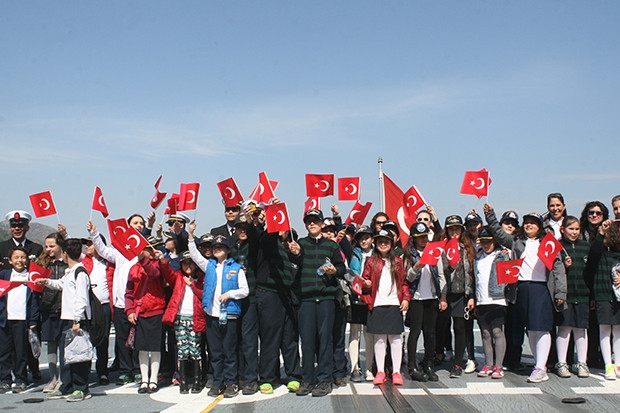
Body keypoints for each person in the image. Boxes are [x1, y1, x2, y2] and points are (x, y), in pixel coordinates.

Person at [484, 203, 567, 383]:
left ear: (540, 226)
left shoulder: (548, 243)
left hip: (541, 288)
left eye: (533, 223)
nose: (529, 225)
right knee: (530, 328)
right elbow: (498, 233)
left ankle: (540, 367)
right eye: (527, 222)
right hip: (521, 289)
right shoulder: (517, 243)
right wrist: (490, 214)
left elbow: (558, 268)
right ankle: (539, 364)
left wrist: (560, 292)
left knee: (542, 328)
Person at [287, 209, 346, 397]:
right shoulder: (300, 244)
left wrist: (334, 270)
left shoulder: (331, 245)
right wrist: (295, 254)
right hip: (306, 299)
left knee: (325, 339)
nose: (311, 224)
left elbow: (342, 268)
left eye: (315, 221)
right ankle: (308, 379)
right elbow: (292, 266)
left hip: (326, 299)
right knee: (307, 340)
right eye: (308, 221)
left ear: (322, 224)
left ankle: (325, 379)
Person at [35, 239, 93, 402]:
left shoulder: (80, 272)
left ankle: (81, 388)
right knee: (67, 355)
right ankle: (66, 384)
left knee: (79, 355)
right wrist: (46, 281)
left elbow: (81, 298)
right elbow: (61, 284)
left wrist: (77, 320)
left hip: (77, 320)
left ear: (66, 254)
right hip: (66, 318)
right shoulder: (70, 272)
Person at [87, 219, 141, 385]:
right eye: (134, 223)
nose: (137, 226)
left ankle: (138, 369)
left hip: (138, 305)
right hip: (120, 305)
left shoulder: (142, 254)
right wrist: (94, 233)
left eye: (140, 223)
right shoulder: (119, 253)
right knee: (122, 339)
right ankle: (125, 370)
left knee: (138, 339)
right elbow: (102, 250)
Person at [199, 235, 249, 398]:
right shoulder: (209, 266)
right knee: (215, 352)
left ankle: (231, 382)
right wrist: (191, 235)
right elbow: (194, 254)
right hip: (212, 315)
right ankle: (217, 381)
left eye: (221, 247)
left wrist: (229, 294)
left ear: (228, 250)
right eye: (214, 248)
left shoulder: (236, 267)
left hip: (229, 315)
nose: (217, 250)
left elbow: (244, 290)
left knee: (229, 351)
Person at [360, 229, 410, 385]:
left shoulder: (398, 261)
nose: (383, 244)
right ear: (375, 243)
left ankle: (396, 372)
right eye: (380, 241)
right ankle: (380, 371)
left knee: (395, 339)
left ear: (392, 244)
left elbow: (403, 283)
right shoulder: (370, 261)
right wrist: (366, 284)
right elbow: (364, 282)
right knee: (380, 339)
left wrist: (406, 298)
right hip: (377, 304)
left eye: (386, 241)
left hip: (394, 303)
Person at [0, 210, 44, 382]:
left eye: (20, 226)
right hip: (6, 307)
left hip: (27, 304)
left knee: (27, 344)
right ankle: (5, 377)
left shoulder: (36, 248)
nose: (17, 228)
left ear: (27, 227)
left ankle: (31, 371)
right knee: (5, 348)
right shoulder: (2, 247)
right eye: (14, 226)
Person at [404, 222, 447, 382]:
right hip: (416, 298)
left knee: (430, 332)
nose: (422, 239)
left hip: (432, 297)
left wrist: (443, 296)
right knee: (414, 332)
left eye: (425, 236)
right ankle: (412, 365)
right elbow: (407, 278)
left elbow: (441, 275)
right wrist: (416, 267)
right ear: (413, 239)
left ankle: (429, 364)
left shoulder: (435, 251)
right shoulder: (409, 254)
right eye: (419, 237)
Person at [125, 237, 167, 394]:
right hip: (139, 312)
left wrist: (144, 259)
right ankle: (144, 379)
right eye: (146, 248)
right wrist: (129, 310)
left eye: (150, 248)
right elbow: (129, 291)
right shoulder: (133, 268)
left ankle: (154, 379)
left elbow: (154, 274)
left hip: (156, 310)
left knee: (155, 348)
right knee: (141, 348)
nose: (148, 251)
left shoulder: (157, 265)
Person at [436, 215, 476, 378]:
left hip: (461, 294)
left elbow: (472, 274)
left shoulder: (467, 248)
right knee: (440, 327)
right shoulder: (439, 248)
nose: (454, 232)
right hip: (444, 294)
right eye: (451, 228)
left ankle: (458, 363)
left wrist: (471, 296)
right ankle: (437, 355)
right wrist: (442, 296)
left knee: (460, 329)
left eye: (457, 229)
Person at [160, 251, 205, 394]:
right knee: (182, 351)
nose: (188, 266)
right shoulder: (178, 278)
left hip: (195, 318)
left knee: (195, 350)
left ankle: (197, 380)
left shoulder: (200, 280)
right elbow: (167, 273)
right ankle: (184, 381)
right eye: (185, 263)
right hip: (180, 318)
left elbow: (203, 295)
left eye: (191, 262)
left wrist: (192, 284)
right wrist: (163, 260)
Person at [0, 247, 40, 393]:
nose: (19, 260)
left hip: (22, 319)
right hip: (5, 319)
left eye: (22, 257)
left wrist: (33, 321)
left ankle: (21, 379)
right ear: (10, 260)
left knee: (21, 352)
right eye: (16, 257)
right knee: (4, 351)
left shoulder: (30, 277)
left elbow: (34, 301)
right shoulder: (4, 275)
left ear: (27, 259)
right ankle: (5, 379)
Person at [555, 216, 591, 378]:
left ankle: (581, 362)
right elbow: (553, 271)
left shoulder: (585, 246)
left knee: (581, 329)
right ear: (563, 229)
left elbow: (591, 271)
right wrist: (564, 265)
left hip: (583, 294)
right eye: (571, 229)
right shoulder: (558, 246)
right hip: (566, 295)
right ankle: (562, 362)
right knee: (564, 328)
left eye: (577, 229)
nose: (574, 232)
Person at [586, 219, 620, 380]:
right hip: (602, 294)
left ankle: (618, 363)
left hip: (618, 296)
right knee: (605, 330)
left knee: (618, 331)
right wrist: (600, 233)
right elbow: (593, 254)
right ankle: (608, 365)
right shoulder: (600, 252)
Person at [473, 227, 509, 379]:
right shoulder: (477, 257)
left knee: (497, 332)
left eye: (489, 241)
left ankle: (498, 366)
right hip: (482, 300)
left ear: (495, 241)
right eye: (483, 242)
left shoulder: (501, 255)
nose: (486, 245)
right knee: (486, 333)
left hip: (497, 299)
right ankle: (488, 364)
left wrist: (507, 255)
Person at [36, 232, 67, 393]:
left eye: (52, 246)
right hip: (48, 309)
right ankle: (52, 379)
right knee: (51, 345)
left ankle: (63, 379)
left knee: (63, 346)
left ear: (60, 246)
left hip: (64, 309)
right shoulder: (42, 264)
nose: (48, 249)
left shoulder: (68, 265)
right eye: (46, 246)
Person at [81, 236, 114, 385]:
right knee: (86, 339)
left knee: (103, 340)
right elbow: (71, 249)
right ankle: (85, 371)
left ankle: (102, 371)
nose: (87, 246)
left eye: (90, 243)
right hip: (88, 307)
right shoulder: (84, 261)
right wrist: (64, 234)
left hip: (104, 306)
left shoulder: (109, 263)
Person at [348, 225, 375, 382]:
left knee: (369, 334)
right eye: (360, 238)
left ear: (372, 238)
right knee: (354, 333)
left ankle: (369, 368)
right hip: (356, 297)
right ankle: (354, 368)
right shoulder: (355, 254)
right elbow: (350, 274)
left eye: (366, 237)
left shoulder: (377, 254)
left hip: (371, 298)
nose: (364, 240)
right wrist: (358, 281)